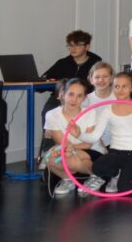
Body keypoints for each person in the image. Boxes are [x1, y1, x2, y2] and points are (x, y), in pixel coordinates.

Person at [37, 30, 103, 163]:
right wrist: (49, 83)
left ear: (87, 46)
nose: (73, 49)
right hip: (62, 96)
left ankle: (77, 147)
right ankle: (48, 149)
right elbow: (45, 80)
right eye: (70, 45)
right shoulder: (62, 62)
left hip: (83, 97)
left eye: (78, 45)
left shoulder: (95, 62)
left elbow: (97, 82)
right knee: (48, 110)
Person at [89, 73, 132, 194]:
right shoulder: (108, 109)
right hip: (116, 152)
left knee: (125, 189)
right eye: (116, 86)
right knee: (97, 168)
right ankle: (116, 174)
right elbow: (95, 136)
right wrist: (78, 134)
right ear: (112, 88)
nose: (120, 90)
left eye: (124, 86)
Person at [43, 78, 106, 197]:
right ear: (63, 94)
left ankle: (97, 176)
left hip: (92, 151)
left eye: (79, 96)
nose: (74, 99)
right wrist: (63, 150)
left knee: (72, 160)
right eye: (71, 94)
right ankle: (68, 179)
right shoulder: (52, 115)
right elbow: (61, 141)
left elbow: (88, 143)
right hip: (67, 149)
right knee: (48, 158)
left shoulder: (90, 112)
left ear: (84, 98)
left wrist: (67, 150)